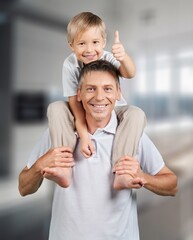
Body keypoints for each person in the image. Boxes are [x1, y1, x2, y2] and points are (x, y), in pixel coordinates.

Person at [18, 60, 178, 240]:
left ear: (118, 93)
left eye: (108, 89)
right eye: (91, 89)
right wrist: (40, 166)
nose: (100, 97)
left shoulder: (133, 135)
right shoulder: (56, 132)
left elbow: (171, 185)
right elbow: (23, 187)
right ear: (79, 94)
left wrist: (143, 177)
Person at [47, 11, 145, 190]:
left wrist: (123, 57)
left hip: (111, 111)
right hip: (83, 110)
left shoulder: (108, 57)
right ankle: (63, 167)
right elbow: (74, 104)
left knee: (136, 114)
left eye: (95, 42)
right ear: (71, 45)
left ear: (104, 43)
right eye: (82, 43)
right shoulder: (70, 65)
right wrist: (83, 135)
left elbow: (130, 73)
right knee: (55, 108)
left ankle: (122, 172)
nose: (89, 49)